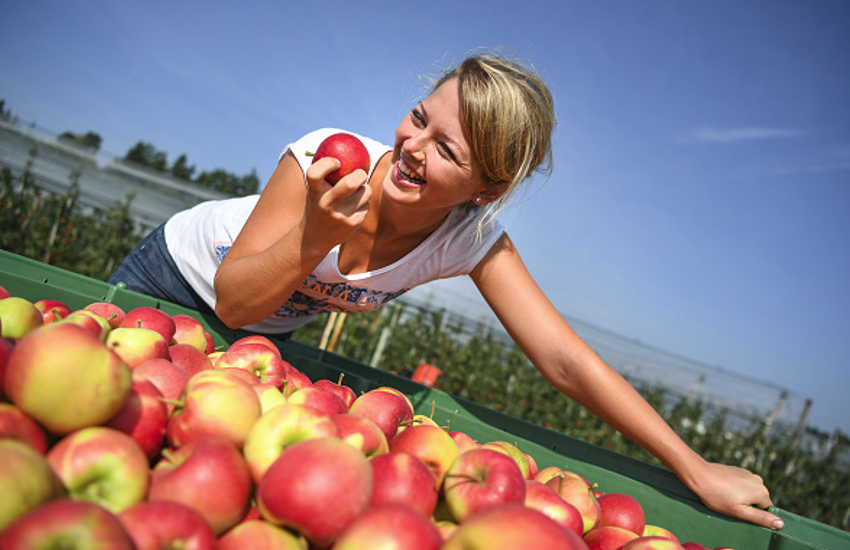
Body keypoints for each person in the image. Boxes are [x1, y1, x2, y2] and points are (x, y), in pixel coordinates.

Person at [109, 52, 783, 530]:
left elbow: (566, 360)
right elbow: (232, 301)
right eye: (417, 118)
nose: (411, 146)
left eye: (447, 150)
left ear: (484, 190)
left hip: (260, 340)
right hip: (171, 284)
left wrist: (693, 467)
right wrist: (315, 236)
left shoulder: (467, 241)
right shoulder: (329, 159)